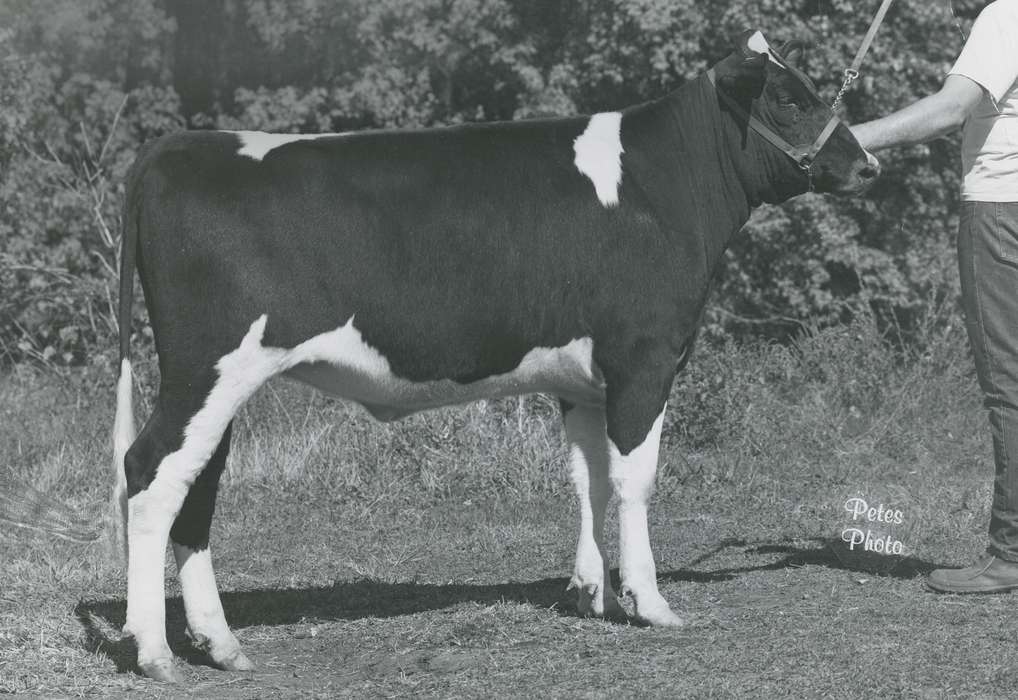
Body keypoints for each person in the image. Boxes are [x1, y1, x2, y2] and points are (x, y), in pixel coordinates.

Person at [851, 0, 1018, 592]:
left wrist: (845, 141)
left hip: (1002, 212)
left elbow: (950, 110)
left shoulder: (1004, 15)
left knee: (1011, 386)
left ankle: (1012, 554)